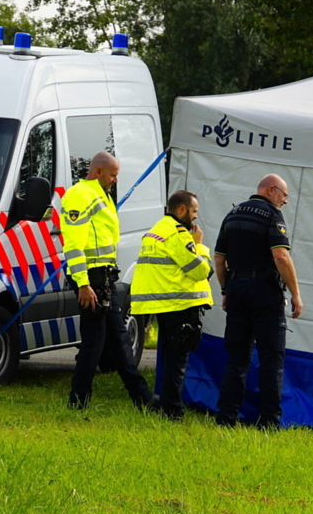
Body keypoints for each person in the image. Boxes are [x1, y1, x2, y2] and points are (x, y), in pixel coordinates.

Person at [61, 151, 157, 411]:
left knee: (119, 338)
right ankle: (78, 401)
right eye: (113, 175)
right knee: (95, 342)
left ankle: (142, 398)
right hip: (90, 279)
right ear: (99, 171)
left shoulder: (100, 193)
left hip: (103, 277)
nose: (115, 180)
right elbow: (73, 246)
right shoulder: (80, 195)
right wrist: (82, 284)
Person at [213, 174, 303, 429]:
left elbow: (219, 259)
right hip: (265, 291)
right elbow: (281, 256)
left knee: (237, 358)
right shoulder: (272, 215)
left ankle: (226, 418)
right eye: (284, 195)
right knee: (271, 358)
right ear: (272, 190)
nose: (285, 201)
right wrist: (295, 293)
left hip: (237, 289)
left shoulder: (232, 215)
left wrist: (225, 290)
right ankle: (268, 421)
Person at [130, 191, 214, 420]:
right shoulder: (178, 234)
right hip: (180, 304)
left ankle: (167, 404)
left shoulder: (156, 230)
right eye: (194, 211)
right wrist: (200, 246)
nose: (196, 217)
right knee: (178, 360)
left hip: (163, 304)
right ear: (181, 210)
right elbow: (200, 270)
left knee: (168, 358)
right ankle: (173, 411)